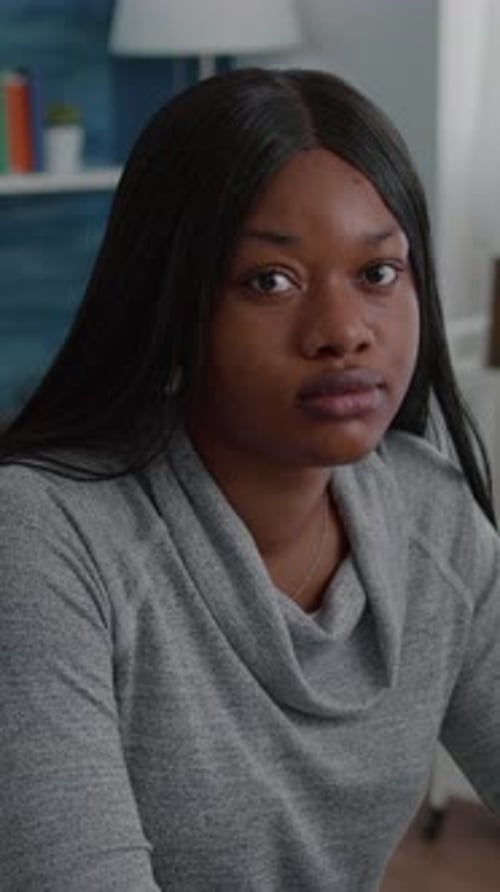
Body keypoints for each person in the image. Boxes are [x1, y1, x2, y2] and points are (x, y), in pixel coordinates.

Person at [0, 66, 498, 892]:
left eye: (377, 274)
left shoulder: (429, 514)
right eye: (270, 281)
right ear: (171, 302)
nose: (343, 331)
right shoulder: (43, 537)